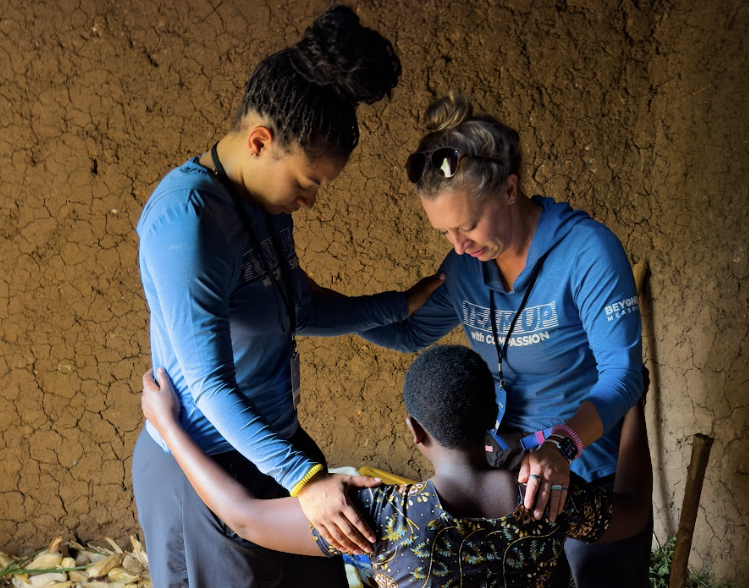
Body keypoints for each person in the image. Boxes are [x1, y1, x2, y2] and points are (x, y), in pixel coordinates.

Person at [132, 7, 442, 587]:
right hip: (204, 467)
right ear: (259, 141)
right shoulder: (186, 222)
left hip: (271, 445)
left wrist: (398, 305)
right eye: (307, 182)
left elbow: (295, 308)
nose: (311, 201)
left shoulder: (261, 204)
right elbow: (209, 383)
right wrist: (304, 480)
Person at [357, 93, 650, 586]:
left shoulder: (586, 252)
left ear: (510, 189)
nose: (459, 246)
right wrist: (312, 310)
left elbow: (624, 374)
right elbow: (409, 333)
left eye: (468, 225)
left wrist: (563, 445)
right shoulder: (465, 268)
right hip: (512, 481)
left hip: (585, 471)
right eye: (445, 232)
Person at [141, 345, 652, 588]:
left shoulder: (384, 519)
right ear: (493, 418)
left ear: (415, 432)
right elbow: (633, 510)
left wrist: (172, 431)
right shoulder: (546, 498)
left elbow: (242, 516)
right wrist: (633, 410)